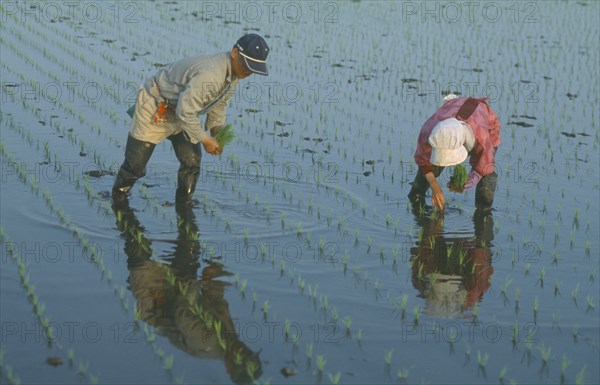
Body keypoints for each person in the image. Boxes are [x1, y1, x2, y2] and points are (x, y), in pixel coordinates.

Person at [112, 200, 263, 384]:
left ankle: (117, 203)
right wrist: (215, 277)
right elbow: (216, 301)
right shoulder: (230, 338)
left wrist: (199, 280)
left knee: (137, 241)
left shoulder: (205, 344)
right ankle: (182, 204)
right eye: (247, 351)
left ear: (229, 366)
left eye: (243, 355)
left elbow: (183, 309)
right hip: (178, 286)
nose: (243, 348)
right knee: (191, 242)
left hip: (155, 294)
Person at [112, 34, 270, 204]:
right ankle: (118, 199)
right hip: (156, 104)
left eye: (253, 69)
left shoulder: (234, 75)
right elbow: (186, 112)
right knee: (135, 166)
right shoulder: (210, 74)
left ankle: (184, 203)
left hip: (181, 111)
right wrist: (205, 139)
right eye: (247, 66)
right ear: (234, 53)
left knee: (192, 162)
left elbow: (219, 104)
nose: (248, 73)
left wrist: (216, 131)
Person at [408, 94, 501, 211]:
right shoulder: (428, 132)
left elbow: (484, 166)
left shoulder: (482, 140)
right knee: (430, 167)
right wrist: (434, 185)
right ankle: (416, 195)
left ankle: (483, 210)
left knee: (486, 173)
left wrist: (469, 181)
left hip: (484, 120)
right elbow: (423, 161)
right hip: (452, 108)